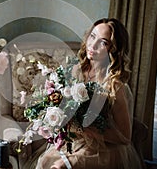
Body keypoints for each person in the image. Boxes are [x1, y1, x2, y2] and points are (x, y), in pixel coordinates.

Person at [28, 18, 143, 169]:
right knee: (45, 162)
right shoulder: (76, 70)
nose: (93, 45)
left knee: (61, 167)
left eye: (103, 42)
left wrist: (84, 128)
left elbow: (125, 137)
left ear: (112, 49)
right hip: (75, 142)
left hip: (103, 148)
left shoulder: (115, 86)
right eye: (92, 36)